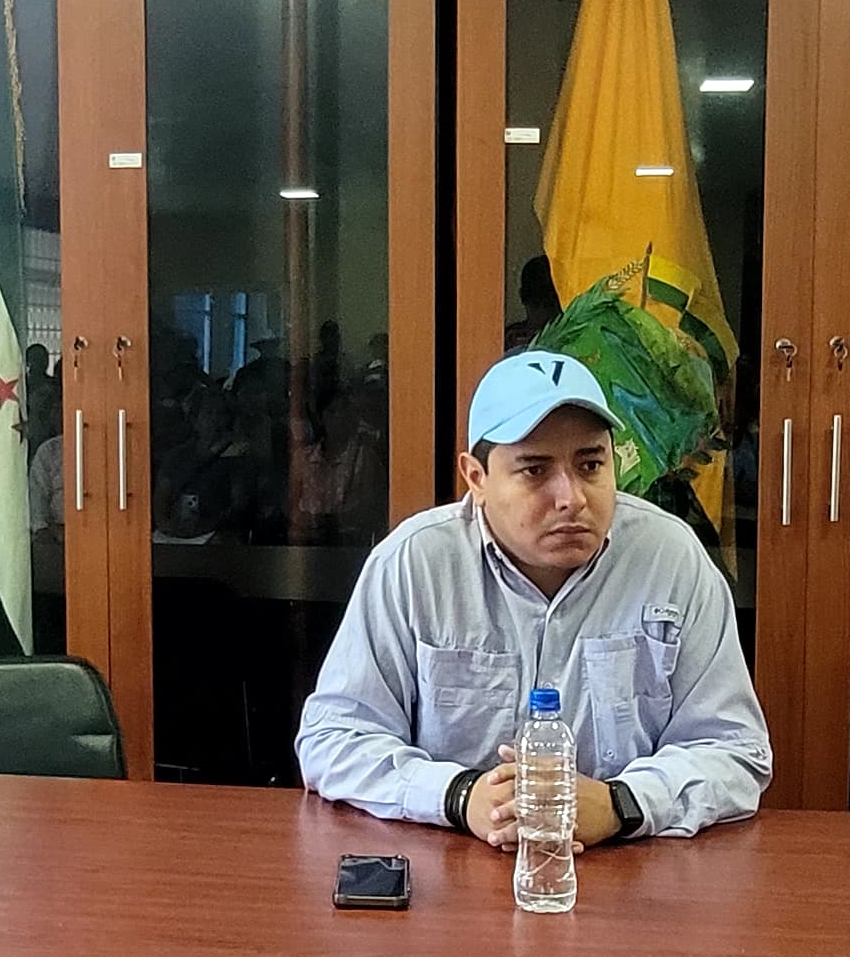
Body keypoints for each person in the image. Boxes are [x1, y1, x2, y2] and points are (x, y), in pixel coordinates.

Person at [297, 350, 770, 848]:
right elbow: (334, 739)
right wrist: (458, 795)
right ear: (476, 478)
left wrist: (622, 803)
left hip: (630, 871)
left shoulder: (671, 561)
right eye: (535, 470)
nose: (571, 498)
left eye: (590, 465)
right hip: (451, 867)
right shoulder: (415, 565)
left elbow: (736, 750)